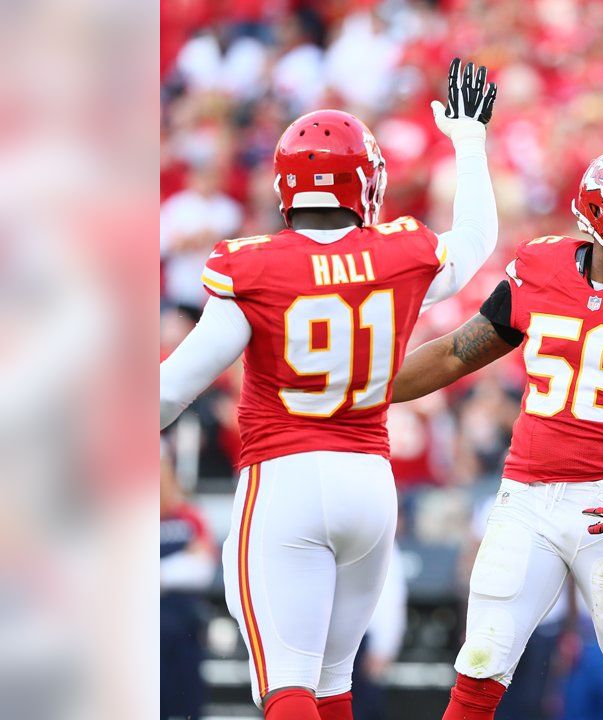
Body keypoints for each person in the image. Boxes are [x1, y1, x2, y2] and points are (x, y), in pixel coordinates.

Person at [158, 58, 499, 720]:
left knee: (287, 688)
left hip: (284, 480)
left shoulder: (250, 264)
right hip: (370, 485)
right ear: (364, 184)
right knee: (333, 686)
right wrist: (469, 142)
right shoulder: (400, 251)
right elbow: (477, 242)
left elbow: (171, 391)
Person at [391, 145, 603, 720]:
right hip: (526, 498)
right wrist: (362, 393)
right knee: (481, 660)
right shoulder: (539, 269)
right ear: (598, 211)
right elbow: (453, 354)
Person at [161, 443, 217, 720]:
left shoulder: (189, 516)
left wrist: (160, 576)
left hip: (184, 626)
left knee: (186, 704)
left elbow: (202, 567)